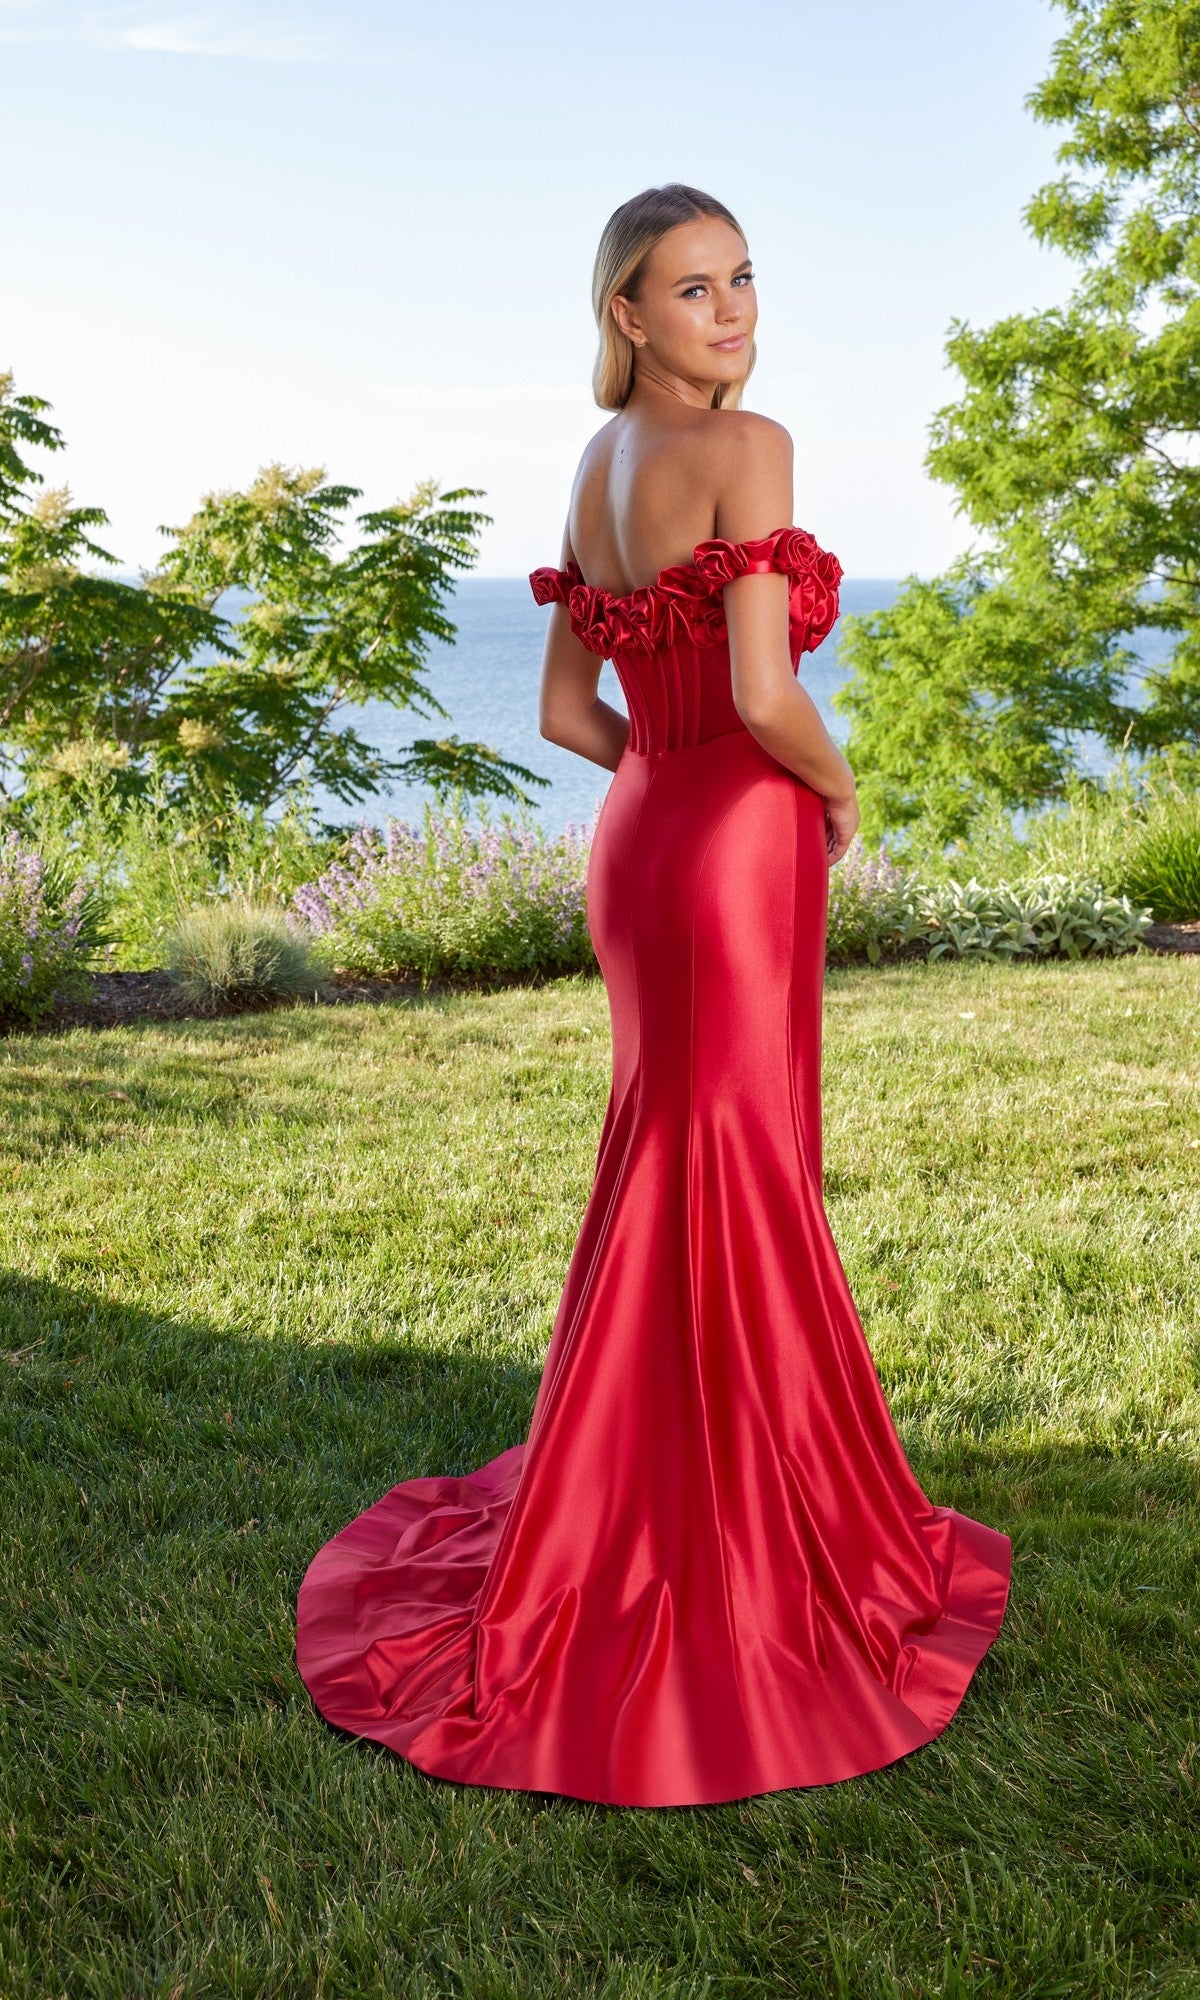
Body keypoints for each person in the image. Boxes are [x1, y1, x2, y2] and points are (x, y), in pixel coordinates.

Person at [295, 183, 1011, 1808]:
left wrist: (674, 784)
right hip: (734, 856)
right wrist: (823, 796)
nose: (735, 311)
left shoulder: (591, 466)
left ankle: (647, 1488)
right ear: (627, 313)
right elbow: (768, 692)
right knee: (738, 1168)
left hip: (639, 845)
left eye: (745, 278)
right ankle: (742, 1531)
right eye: (695, 291)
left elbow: (568, 715)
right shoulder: (750, 451)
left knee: (677, 1162)